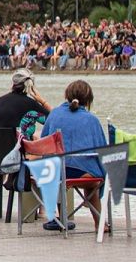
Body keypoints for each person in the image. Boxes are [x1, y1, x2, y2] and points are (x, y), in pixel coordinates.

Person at [41, 80, 106, 231]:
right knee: (94, 184)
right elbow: (102, 150)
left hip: (54, 174)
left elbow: (44, 143)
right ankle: (99, 224)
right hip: (82, 176)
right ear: (88, 99)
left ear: (67, 95)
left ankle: (62, 217)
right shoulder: (91, 119)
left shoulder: (54, 114)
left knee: (59, 179)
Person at [0, 69, 51, 138]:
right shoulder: (30, 104)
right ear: (31, 86)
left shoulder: (1, 100)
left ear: (13, 83)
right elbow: (54, 120)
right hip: (18, 147)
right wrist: (42, 101)